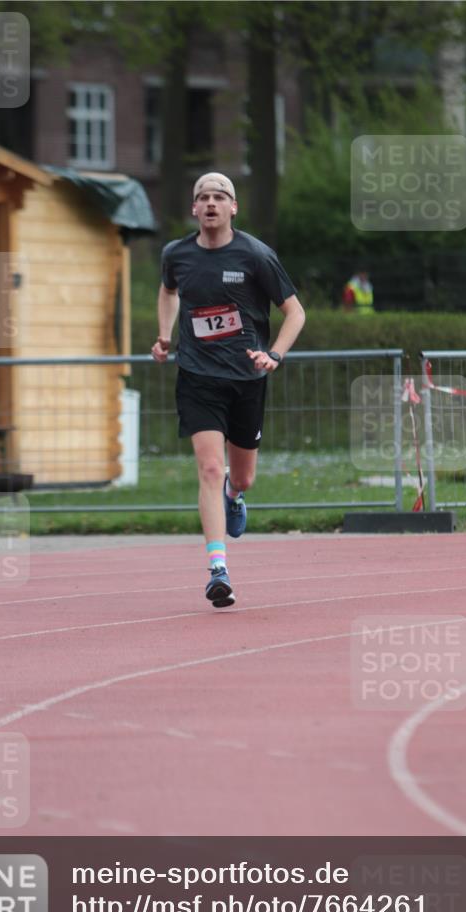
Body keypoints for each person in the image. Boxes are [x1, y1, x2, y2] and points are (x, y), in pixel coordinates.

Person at [151, 172, 305, 608]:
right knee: (209, 469)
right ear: (194, 208)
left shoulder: (256, 255)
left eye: (220, 196)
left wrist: (273, 355)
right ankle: (218, 570)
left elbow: (295, 313)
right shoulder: (176, 254)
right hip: (197, 376)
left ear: (233, 207)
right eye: (203, 197)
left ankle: (235, 497)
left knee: (241, 477)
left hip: (246, 378)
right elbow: (168, 291)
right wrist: (164, 335)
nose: (211, 203)